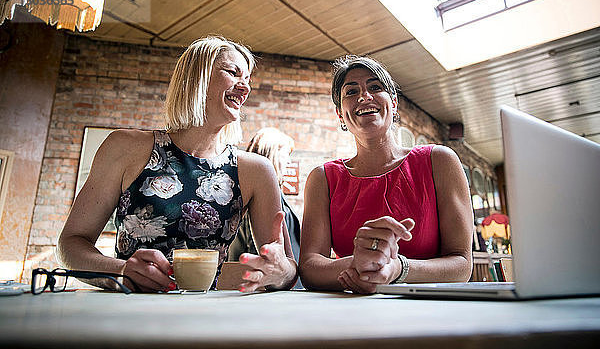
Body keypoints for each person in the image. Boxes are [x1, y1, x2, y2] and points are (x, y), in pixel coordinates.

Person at [58, 36, 298, 293]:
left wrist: (280, 271)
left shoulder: (257, 171)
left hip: (210, 319)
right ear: (197, 78)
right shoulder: (123, 147)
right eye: (233, 73)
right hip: (128, 312)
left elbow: (287, 269)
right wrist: (121, 270)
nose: (245, 88)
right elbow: (71, 244)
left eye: (248, 79)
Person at [299, 55, 473, 294]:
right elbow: (309, 268)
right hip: (352, 313)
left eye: (375, 87)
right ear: (340, 114)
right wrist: (360, 264)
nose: (364, 96)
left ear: (393, 102)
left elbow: (462, 266)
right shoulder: (323, 178)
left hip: (431, 311)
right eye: (351, 92)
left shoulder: (439, 161)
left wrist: (396, 270)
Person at [227, 128, 302, 288]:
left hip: (283, 284)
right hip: (262, 286)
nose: (289, 162)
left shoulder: (276, 195)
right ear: (272, 154)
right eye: (285, 155)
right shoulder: (253, 197)